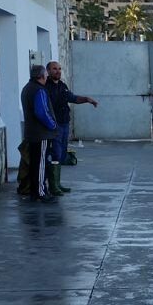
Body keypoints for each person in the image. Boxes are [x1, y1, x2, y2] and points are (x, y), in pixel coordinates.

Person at [44, 61, 98, 195]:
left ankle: (57, 183)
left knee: (61, 154)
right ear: (48, 71)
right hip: (54, 126)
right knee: (55, 154)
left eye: (59, 69)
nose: (58, 71)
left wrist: (86, 99)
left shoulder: (62, 85)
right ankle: (52, 186)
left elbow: (72, 98)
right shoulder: (45, 87)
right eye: (54, 69)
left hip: (64, 124)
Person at [20, 64, 58, 203]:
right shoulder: (39, 90)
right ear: (41, 76)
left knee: (35, 162)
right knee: (41, 163)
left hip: (32, 132)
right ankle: (40, 192)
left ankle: (34, 191)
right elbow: (41, 112)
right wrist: (53, 125)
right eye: (46, 74)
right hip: (41, 133)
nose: (47, 76)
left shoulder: (26, 88)